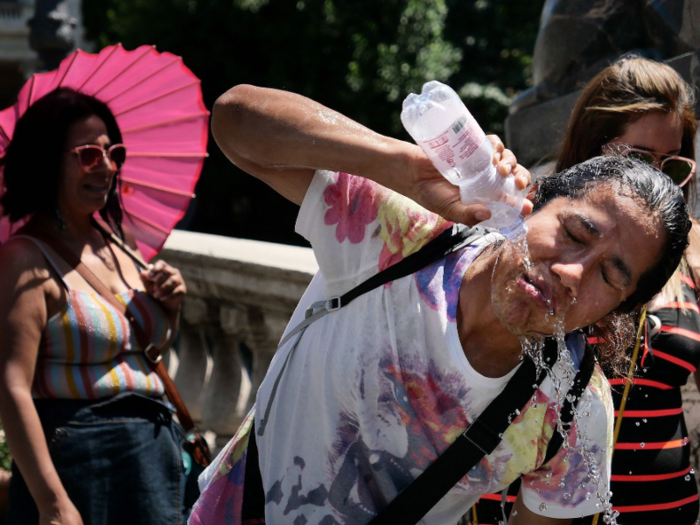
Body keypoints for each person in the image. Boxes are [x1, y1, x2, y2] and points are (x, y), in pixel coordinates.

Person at [192, 83, 691, 525]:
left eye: (609, 275)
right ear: (534, 203)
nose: (571, 271)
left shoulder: (577, 409)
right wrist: (401, 166)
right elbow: (235, 119)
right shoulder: (401, 238)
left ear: (619, 308)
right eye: (574, 232)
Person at [476, 56, 700, 525]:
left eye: (673, 166)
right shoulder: (531, 228)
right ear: (594, 145)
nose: (656, 180)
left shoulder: (696, 254)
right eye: (640, 159)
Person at [0, 88, 189, 525]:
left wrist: (171, 307)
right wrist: (53, 504)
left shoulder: (120, 246)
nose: (106, 166)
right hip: (83, 467)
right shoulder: (23, 260)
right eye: (88, 154)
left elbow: (141, 354)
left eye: (112, 152)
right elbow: (11, 386)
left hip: (154, 462)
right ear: (48, 161)